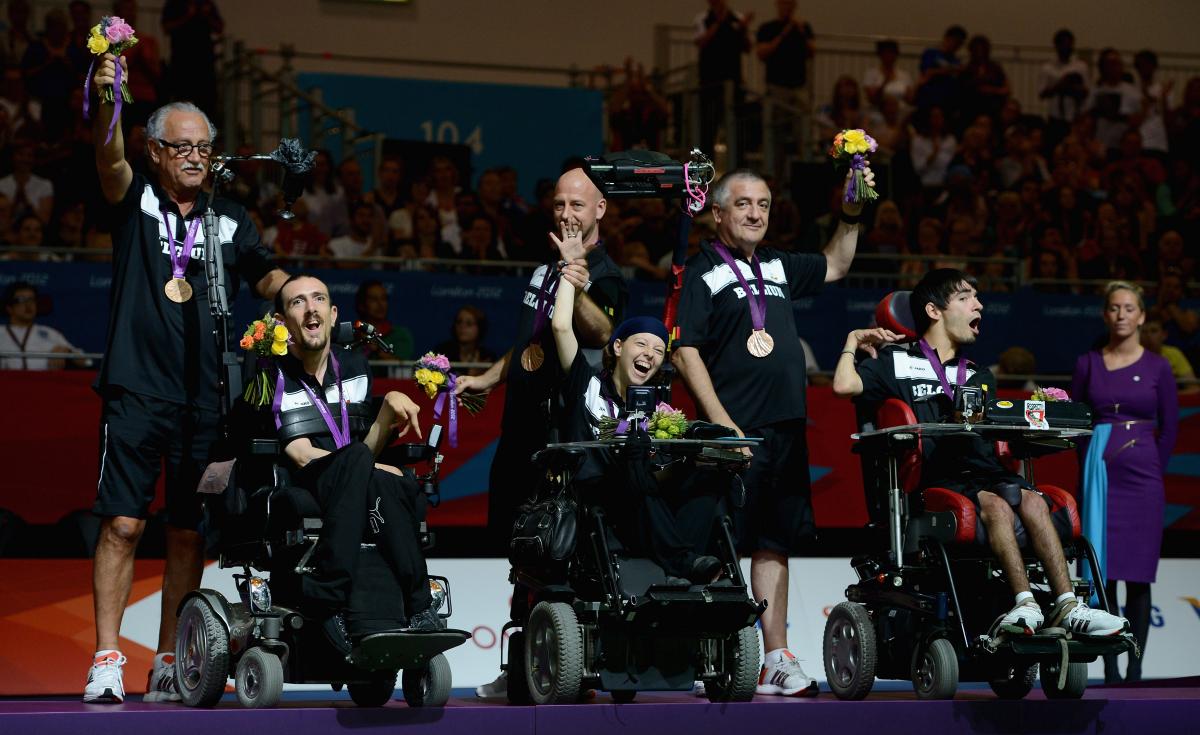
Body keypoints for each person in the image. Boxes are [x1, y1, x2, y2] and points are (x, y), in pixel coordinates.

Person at [84, 53, 289, 705]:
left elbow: (266, 273)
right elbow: (109, 160)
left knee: (186, 532)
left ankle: (169, 659)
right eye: (184, 147)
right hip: (137, 390)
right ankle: (109, 655)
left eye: (205, 147)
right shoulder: (135, 200)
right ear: (157, 152)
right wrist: (109, 105)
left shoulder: (229, 220)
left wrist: (304, 295)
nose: (198, 157)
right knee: (122, 524)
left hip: (208, 405)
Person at [834, 269, 1130, 642]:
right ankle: (1024, 602)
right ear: (934, 310)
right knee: (996, 504)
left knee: (1036, 503)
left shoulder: (977, 373)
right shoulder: (894, 362)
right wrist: (851, 340)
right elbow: (844, 385)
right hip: (937, 478)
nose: (979, 304)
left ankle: (1069, 606)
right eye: (966, 297)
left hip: (986, 472)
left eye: (978, 297)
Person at [671, 168, 868, 696]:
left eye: (763, 203)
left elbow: (838, 263)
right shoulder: (702, 270)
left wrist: (850, 212)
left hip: (785, 427)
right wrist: (719, 421)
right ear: (719, 214)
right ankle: (716, 653)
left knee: (774, 544)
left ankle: (776, 657)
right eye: (743, 204)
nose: (756, 213)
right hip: (733, 433)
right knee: (720, 545)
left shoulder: (779, 264)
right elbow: (684, 348)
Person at [459, 168, 626, 699]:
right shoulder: (540, 271)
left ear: (600, 210)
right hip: (522, 430)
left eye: (578, 205)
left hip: (565, 437)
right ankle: (520, 665)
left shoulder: (607, 273)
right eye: (559, 203)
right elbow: (528, 341)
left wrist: (576, 279)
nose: (566, 214)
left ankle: (568, 666)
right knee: (523, 553)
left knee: (561, 554)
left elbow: (603, 332)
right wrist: (486, 377)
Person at [271, 274, 442, 654]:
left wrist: (386, 410)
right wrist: (364, 463)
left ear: (333, 315)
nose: (310, 308)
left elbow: (365, 446)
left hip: (354, 477)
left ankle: (419, 608)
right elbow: (299, 452)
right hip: (309, 477)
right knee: (370, 470)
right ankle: (330, 589)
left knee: (384, 483)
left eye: (319, 299)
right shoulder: (276, 375)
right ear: (283, 322)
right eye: (298, 302)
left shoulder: (354, 366)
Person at [551, 226, 723, 583]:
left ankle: (688, 566)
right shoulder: (586, 381)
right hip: (596, 498)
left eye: (659, 351)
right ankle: (680, 562)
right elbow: (561, 329)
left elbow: (658, 475)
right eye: (642, 345)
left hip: (640, 501)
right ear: (617, 347)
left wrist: (690, 460)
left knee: (708, 476)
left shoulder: (657, 406)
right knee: (632, 458)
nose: (650, 354)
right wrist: (569, 270)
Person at [1072, 282, 1178, 682]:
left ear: (1142, 316)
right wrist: (1089, 469)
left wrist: (1153, 464)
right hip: (1101, 477)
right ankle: (1111, 668)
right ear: (1105, 314)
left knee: (1138, 576)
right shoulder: (1088, 363)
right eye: (1114, 308)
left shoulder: (1158, 366)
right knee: (1104, 573)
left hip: (1143, 480)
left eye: (1129, 308)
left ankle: (1135, 667)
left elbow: (1170, 427)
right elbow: (1079, 421)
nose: (1121, 315)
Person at [755, 0, 814, 174]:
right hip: (777, 88)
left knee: (802, 134)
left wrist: (801, 31)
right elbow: (762, 52)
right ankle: (775, 176)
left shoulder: (804, 27)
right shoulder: (767, 28)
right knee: (776, 135)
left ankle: (804, 173)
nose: (787, 7)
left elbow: (812, 51)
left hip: (798, 88)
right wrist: (784, 33)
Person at [694, 0, 754, 155]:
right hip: (710, 82)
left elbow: (748, 47)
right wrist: (718, 23)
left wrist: (743, 28)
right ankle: (705, 173)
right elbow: (700, 42)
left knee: (737, 131)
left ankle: (737, 167)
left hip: (733, 82)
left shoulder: (737, 18)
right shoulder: (703, 18)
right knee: (707, 131)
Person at [0, 281, 83, 369]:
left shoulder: (49, 333)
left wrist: (68, 352)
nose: (28, 304)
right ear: (9, 308)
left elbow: (87, 362)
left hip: (43, 381)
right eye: (21, 300)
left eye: (32, 299)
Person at [1037, 29, 1089, 151]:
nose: (1066, 48)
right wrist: (1059, 86)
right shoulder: (1048, 68)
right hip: (1056, 117)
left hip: (1075, 116)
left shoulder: (1081, 67)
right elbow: (1042, 93)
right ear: (1056, 46)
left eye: (1069, 44)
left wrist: (1072, 88)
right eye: (1063, 44)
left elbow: (1086, 91)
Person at [355, 280, 414, 371]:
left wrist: (375, 346)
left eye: (383, 299)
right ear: (361, 305)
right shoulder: (352, 335)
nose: (380, 304)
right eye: (373, 299)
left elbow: (401, 366)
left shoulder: (400, 335)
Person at [433, 305, 496, 377]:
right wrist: (470, 375)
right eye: (459, 322)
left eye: (469, 323)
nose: (462, 326)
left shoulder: (487, 357)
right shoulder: (442, 353)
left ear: (480, 328)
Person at [1142, 315, 1198, 394]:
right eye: (1144, 332)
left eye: (1154, 331)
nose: (1148, 336)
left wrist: (1169, 397)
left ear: (1164, 335)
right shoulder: (1129, 356)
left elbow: (1193, 387)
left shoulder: (1174, 353)